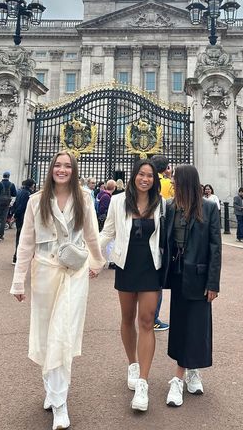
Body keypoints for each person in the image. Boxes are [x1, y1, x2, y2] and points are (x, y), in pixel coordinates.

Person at [10, 151, 105, 430]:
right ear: (51, 169)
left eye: (67, 166)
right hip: (44, 272)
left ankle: (60, 402)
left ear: (74, 171)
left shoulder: (84, 199)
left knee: (63, 333)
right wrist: (18, 280)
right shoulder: (36, 201)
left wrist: (97, 262)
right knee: (45, 333)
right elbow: (26, 243)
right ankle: (51, 389)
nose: (62, 170)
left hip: (74, 274)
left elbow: (91, 234)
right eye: (58, 166)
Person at [100, 159, 165, 412]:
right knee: (127, 318)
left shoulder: (161, 205)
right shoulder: (118, 201)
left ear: (154, 180)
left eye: (149, 175)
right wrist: (92, 257)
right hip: (126, 265)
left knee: (147, 321)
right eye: (141, 174)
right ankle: (132, 364)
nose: (145, 179)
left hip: (151, 266)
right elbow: (107, 233)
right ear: (134, 176)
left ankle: (143, 383)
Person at [161, 164, 221, 407]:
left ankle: (183, 374)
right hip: (176, 274)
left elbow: (215, 248)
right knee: (180, 324)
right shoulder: (170, 207)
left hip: (199, 275)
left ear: (185, 181)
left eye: (175, 179)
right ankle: (187, 369)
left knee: (198, 325)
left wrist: (213, 283)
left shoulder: (209, 208)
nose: (172, 182)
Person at [149, 154, 173, 332]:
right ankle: (153, 317)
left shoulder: (145, 180)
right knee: (158, 280)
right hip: (162, 237)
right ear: (166, 168)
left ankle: (144, 313)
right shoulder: (167, 184)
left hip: (144, 232)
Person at [12, 178, 35, 265]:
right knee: (23, 238)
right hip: (24, 217)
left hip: (20, 217)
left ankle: (17, 256)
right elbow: (22, 206)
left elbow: (15, 204)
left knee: (20, 236)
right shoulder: (28, 194)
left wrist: (14, 214)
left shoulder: (20, 191)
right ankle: (18, 256)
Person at [0, 171, 17, 242]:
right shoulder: (12, 184)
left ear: (3, 176)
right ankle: (1, 234)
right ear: (9, 176)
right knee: (3, 219)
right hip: (6, 204)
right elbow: (14, 194)